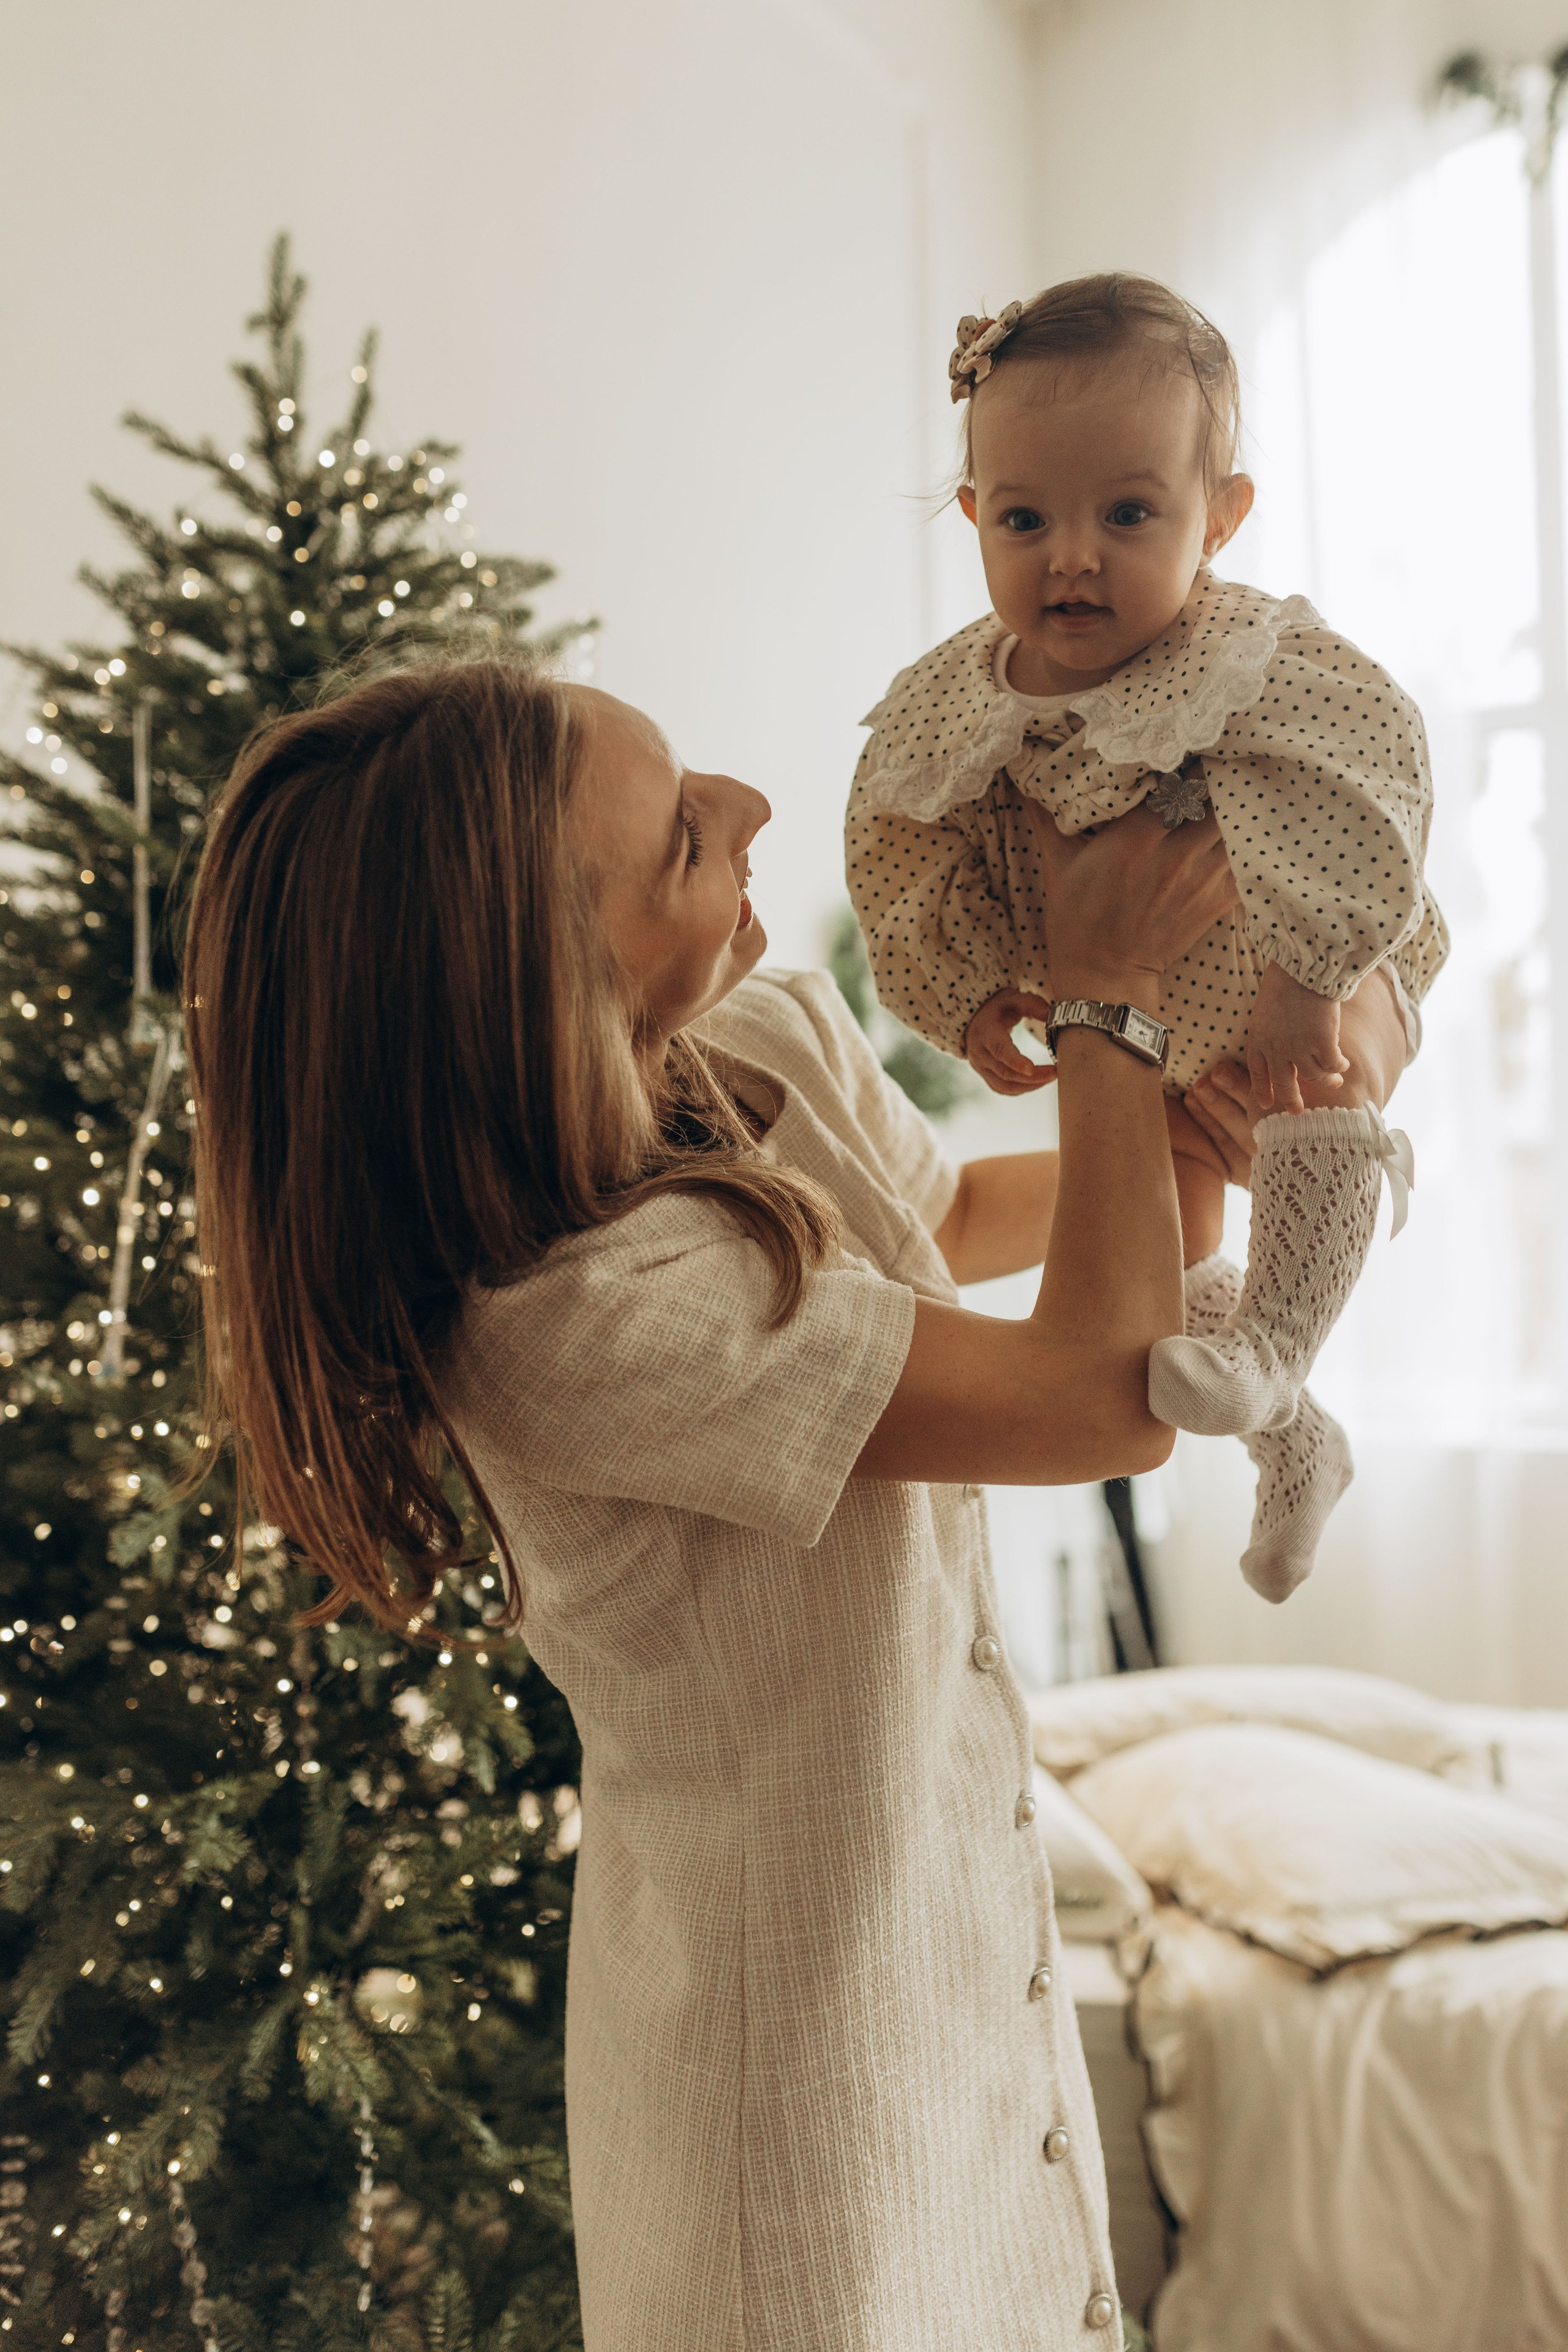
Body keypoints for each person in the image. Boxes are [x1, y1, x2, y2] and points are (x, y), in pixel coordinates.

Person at [184, 654, 1262, 2350]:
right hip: (791, 2101)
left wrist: (1202, 1133)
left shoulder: (754, 1048)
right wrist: (1104, 994)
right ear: (549, 978)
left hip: (945, 1968)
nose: (757, 809)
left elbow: (967, 1212)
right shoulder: (577, 1325)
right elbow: (1096, 1405)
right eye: (688, 835)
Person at [846, 273, 1447, 1600]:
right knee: (1153, 1290)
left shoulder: (1251, 654)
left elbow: (1370, 770)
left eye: (1126, 513)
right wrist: (955, 994)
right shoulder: (960, 698)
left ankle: (1281, 1339)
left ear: (1217, 519)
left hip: (1314, 962)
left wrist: (1309, 973)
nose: (1070, 555)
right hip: (1156, 1039)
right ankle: (1293, 1438)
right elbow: (897, 833)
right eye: (1024, 518)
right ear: (974, 520)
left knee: (1324, 1061)